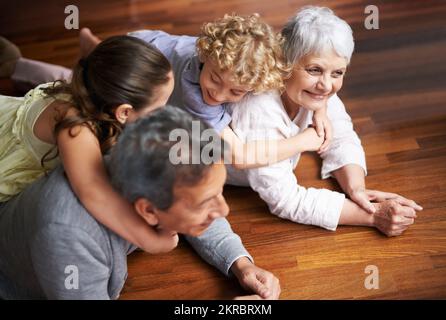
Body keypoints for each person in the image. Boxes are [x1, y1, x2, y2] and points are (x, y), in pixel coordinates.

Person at [0, 106, 280, 300]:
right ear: (147, 210)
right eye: (207, 202)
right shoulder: (66, 238)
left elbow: (196, 203)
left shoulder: (144, 165)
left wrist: (241, 264)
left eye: (219, 192)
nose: (224, 210)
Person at [1, 14, 333, 169]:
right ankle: (28, 66)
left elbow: (293, 80)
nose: (217, 94)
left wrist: (320, 106)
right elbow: (240, 156)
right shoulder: (194, 94)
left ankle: (94, 47)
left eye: (237, 91)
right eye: (215, 79)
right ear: (205, 56)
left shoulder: (226, 62)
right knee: (82, 90)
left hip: (141, 44)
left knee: (93, 63)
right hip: (138, 61)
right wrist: (303, 141)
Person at [225, 6, 423, 236]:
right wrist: (373, 215)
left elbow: (340, 136)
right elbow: (287, 200)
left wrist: (357, 189)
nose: (327, 86)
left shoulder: (315, 92)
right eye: (314, 70)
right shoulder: (258, 108)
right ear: (284, 62)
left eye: (337, 73)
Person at [0, 35, 179, 254]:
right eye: (158, 109)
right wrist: (150, 241)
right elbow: (94, 191)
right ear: (123, 112)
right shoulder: (75, 128)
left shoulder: (95, 85)